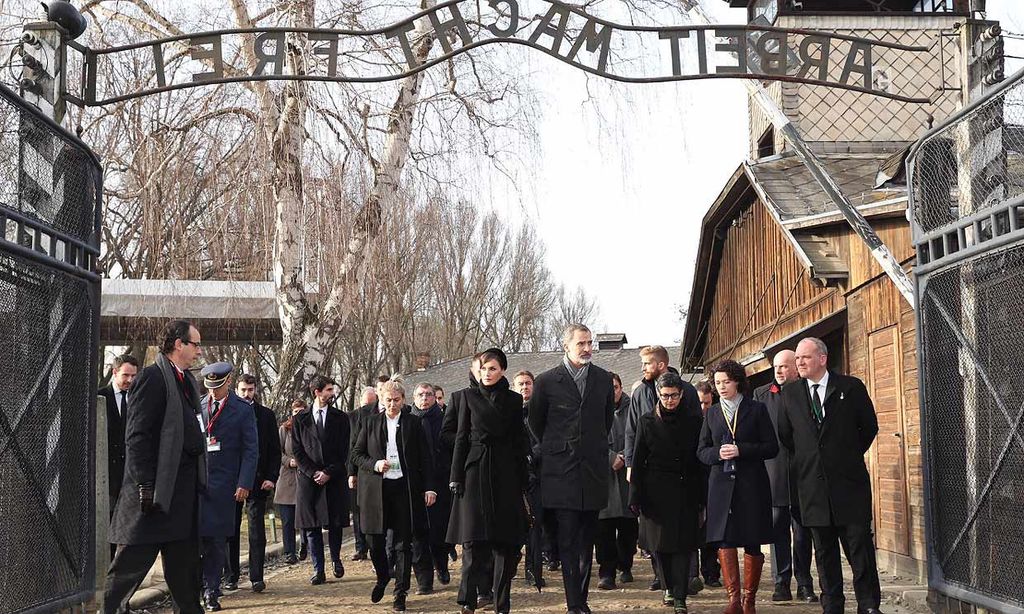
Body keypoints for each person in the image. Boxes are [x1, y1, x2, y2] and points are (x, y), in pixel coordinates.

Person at [104, 320, 206, 614]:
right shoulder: (152, 378)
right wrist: (144, 486)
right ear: (179, 345)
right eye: (195, 344)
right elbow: (137, 436)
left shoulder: (185, 380)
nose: (199, 351)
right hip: (152, 499)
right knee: (126, 574)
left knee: (185, 579)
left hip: (181, 499)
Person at [778, 338, 882, 614]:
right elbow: (787, 437)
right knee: (824, 554)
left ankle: (869, 605)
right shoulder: (790, 394)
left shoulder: (850, 387)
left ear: (822, 359)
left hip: (849, 486)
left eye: (805, 357)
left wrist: (844, 455)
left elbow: (869, 427)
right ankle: (832, 605)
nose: (799, 362)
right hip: (812, 488)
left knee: (859, 549)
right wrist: (815, 460)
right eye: (797, 358)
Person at [530, 324, 615, 614]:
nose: (587, 348)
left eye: (590, 342)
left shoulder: (603, 379)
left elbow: (606, 422)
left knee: (586, 541)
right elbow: (536, 424)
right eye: (581, 343)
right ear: (566, 346)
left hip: (592, 472)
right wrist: (560, 446)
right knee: (566, 540)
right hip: (560, 472)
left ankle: (581, 599)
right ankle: (573, 603)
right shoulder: (545, 381)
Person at [448, 348, 530, 614]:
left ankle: (501, 603)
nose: (487, 373)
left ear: (503, 370)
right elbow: (460, 438)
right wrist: (455, 476)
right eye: (483, 368)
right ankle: (467, 600)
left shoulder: (515, 401)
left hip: (505, 475)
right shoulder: (467, 398)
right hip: (474, 474)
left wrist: (524, 478)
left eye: (492, 368)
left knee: (505, 543)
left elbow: (520, 441)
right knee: (472, 542)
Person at [698, 360, 779, 614]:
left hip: (751, 485)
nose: (721, 387)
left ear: (738, 382)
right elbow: (701, 451)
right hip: (721, 486)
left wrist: (742, 450)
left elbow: (771, 447)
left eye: (726, 382)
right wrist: (718, 454)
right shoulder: (711, 413)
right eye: (718, 383)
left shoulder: (756, 409)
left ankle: (749, 599)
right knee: (725, 540)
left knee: (752, 540)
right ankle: (733, 599)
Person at [352, 380, 436, 612]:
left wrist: (429, 487)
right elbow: (356, 454)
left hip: (404, 489)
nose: (392, 404)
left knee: (403, 545)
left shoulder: (414, 423)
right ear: (381, 400)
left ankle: (401, 593)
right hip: (376, 491)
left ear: (403, 400)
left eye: (396, 400)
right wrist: (375, 464)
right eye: (387, 400)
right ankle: (382, 577)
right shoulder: (369, 423)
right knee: (374, 541)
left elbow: (426, 458)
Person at [624, 345, 700, 595]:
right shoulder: (640, 394)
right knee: (658, 537)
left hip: (683, 477)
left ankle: (687, 579)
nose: (643, 368)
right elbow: (632, 430)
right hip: (653, 477)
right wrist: (630, 464)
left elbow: (695, 436)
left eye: (647, 363)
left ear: (661, 365)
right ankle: (664, 579)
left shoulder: (687, 391)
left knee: (683, 536)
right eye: (665, 396)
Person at [752, 350, 817, 604]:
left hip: (801, 474)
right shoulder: (761, 395)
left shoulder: (806, 392)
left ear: (795, 368)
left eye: (784, 366)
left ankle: (804, 583)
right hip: (773, 473)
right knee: (778, 531)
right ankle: (781, 583)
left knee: (803, 533)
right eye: (776, 367)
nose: (779, 371)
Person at [196, 362, 258, 611]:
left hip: (225, 486)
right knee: (196, 541)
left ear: (228, 382)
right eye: (209, 387)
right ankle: (196, 586)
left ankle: (212, 590)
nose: (213, 392)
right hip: (197, 485)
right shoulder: (198, 405)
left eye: (217, 387)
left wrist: (244, 482)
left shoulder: (242, 410)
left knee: (216, 541)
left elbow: (251, 450)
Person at [224, 373, 280, 593]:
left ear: (256, 390)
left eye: (251, 390)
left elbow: (274, 450)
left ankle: (257, 576)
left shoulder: (266, 415)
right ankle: (231, 575)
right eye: (243, 390)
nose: (247, 394)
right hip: (233, 481)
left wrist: (271, 477)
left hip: (258, 482)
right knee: (232, 530)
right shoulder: (228, 413)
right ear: (236, 390)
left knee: (256, 530)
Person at [293, 375, 351, 585]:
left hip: (333, 477)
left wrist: (328, 472)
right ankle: (318, 569)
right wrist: (312, 472)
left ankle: (335, 559)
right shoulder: (300, 419)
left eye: (331, 389)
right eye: (327, 390)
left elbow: (344, 450)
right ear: (316, 392)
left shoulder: (341, 418)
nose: (331, 393)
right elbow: (297, 451)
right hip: (309, 481)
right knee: (311, 527)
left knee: (334, 523)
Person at [597, 372, 638, 591]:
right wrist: (611, 457)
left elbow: (639, 435)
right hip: (603, 478)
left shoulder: (633, 408)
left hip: (627, 475)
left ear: (621, 387)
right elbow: (588, 439)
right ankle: (606, 572)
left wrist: (624, 456)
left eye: (615, 387)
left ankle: (626, 566)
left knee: (628, 527)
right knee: (603, 530)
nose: (611, 391)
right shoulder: (593, 410)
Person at [410, 382, 453, 593]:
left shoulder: (445, 419)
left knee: (439, 531)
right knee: (418, 535)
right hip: (415, 484)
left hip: (441, 482)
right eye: (420, 395)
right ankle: (423, 580)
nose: (425, 398)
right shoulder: (408, 420)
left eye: (429, 395)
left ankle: (441, 564)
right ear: (414, 397)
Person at [99, 354, 139, 559]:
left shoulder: (138, 399)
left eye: (134, 375)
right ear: (115, 373)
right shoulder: (100, 398)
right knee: (108, 521)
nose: (130, 380)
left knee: (127, 524)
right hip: (107, 473)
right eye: (126, 375)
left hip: (130, 474)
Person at [512, 369, 545, 588]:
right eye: (520, 384)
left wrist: (532, 457)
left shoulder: (542, 411)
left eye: (528, 383)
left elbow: (547, 439)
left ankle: (534, 570)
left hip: (538, 475)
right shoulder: (508, 411)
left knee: (535, 525)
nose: (524, 387)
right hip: (513, 476)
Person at [693, 380, 721, 589]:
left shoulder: (717, 420)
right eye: (700, 403)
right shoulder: (688, 421)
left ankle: (711, 572)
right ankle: (692, 573)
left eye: (707, 403)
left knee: (711, 531)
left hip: (712, 479)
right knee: (693, 530)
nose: (703, 407)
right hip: (693, 480)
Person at [275, 400, 309, 565]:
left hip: (305, 477)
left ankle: (304, 545)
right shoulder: (284, 430)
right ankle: (289, 552)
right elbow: (278, 452)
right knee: (288, 520)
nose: (298, 414)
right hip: (288, 479)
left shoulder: (311, 428)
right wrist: (289, 461)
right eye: (295, 411)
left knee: (304, 519)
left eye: (301, 411)